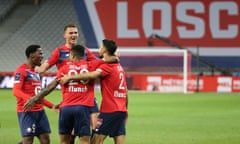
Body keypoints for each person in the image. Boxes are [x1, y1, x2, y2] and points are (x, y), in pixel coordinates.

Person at [24, 44, 107, 144]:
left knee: (64, 141)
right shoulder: (91, 65)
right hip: (83, 108)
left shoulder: (64, 68)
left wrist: (35, 98)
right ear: (84, 55)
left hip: (66, 108)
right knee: (84, 141)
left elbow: (51, 86)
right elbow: (109, 60)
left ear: (71, 55)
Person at [35, 23, 99, 143]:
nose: (74, 35)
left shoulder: (84, 50)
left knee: (96, 126)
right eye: (71, 33)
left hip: (86, 96)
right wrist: (35, 69)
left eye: (75, 32)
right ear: (65, 35)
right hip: (70, 95)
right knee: (71, 135)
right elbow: (44, 67)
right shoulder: (59, 52)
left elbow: (97, 64)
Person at [59, 39, 128, 144]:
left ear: (104, 49)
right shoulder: (119, 67)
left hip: (109, 110)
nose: (99, 49)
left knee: (95, 141)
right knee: (119, 138)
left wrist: (69, 77)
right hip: (121, 109)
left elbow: (91, 75)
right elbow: (125, 90)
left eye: (101, 47)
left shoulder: (107, 67)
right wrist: (125, 109)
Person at [13, 45, 54, 144]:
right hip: (26, 111)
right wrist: (31, 99)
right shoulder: (21, 71)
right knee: (28, 141)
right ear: (31, 55)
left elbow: (38, 95)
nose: (42, 56)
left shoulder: (37, 72)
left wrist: (52, 106)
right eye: (40, 53)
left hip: (40, 112)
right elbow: (16, 91)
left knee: (46, 139)